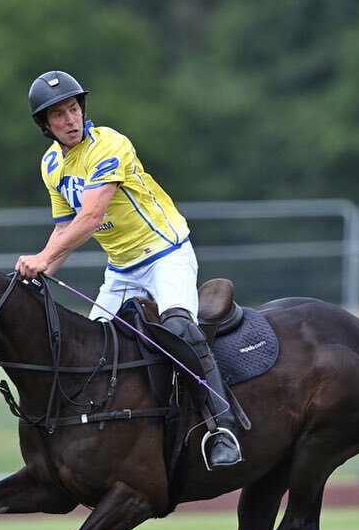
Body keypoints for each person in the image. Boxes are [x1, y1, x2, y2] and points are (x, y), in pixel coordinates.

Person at [15, 70, 241, 469]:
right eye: (58, 115)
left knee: (179, 329)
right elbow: (63, 227)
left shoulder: (110, 145)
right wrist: (43, 269)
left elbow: (90, 216)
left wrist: (44, 259)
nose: (70, 120)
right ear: (44, 125)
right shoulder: (51, 164)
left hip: (165, 253)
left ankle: (221, 427)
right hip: (121, 271)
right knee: (86, 353)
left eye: (73, 108)